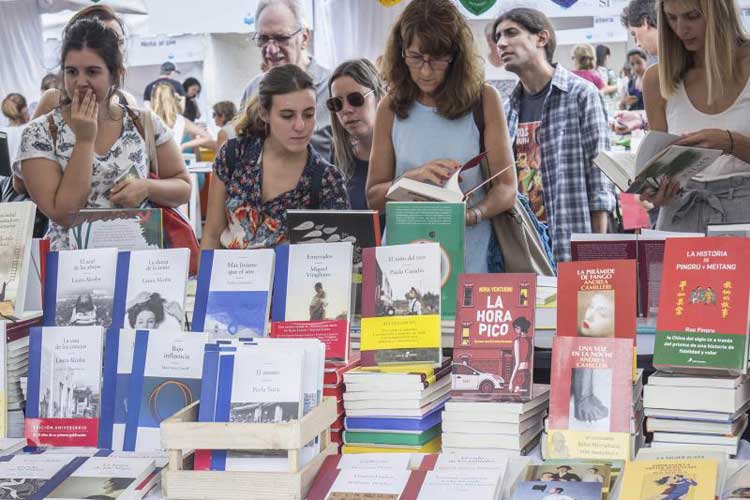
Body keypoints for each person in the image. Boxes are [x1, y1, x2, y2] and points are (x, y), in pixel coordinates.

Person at [367, 0, 518, 274]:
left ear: (456, 56)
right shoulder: (390, 107)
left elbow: (507, 188)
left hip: (470, 259)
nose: (425, 71)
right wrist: (414, 178)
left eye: (437, 59)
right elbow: (374, 197)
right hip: (404, 264)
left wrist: (470, 216)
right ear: (400, 53)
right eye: (415, 57)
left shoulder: (484, 100)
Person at [14, 18, 191, 250]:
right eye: (71, 71)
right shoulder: (40, 133)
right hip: (73, 269)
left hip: (139, 264)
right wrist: (85, 140)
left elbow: (183, 187)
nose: (80, 82)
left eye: (92, 71)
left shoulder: (143, 122)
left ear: (115, 74)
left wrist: (147, 187)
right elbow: (65, 214)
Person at [494, 8, 615, 263]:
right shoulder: (507, 109)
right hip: (527, 249)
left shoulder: (581, 94)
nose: (501, 43)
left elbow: (601, 178)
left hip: (572, 244)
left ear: (542, 38)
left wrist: (595, 251)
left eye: (511, 33)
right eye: (498, 37)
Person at [201, 65, 349, 250]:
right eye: (287, 116)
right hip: (229, 276)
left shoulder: (327, 179)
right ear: (264, 113)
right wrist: (204, 279)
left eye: (309, 114)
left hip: (294, 278)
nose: (300, 125)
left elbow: (336, 257)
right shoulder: (232, 155)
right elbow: (212, 234)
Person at [642, 0, 750, 233]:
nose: (681, 30)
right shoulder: (656, 79)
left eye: (692, 16)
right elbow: (660, 168)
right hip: (680, 217)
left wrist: (730, 143)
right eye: (671, 18)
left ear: (722, 13)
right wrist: (657, 192)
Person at [240, 0, 333, 159]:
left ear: (304, 38)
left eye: (281, 37)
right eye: (263, 39)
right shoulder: (253, 89)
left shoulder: (333, 88)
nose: (271, 50)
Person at [32, 4, 137, 120]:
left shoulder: (127, 101)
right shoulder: (53, 99)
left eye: (120, 42)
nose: (114, 49)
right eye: (103, 39)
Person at [328, 59, 385, 221]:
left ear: (379, 97)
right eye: (336, 103)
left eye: (356, 99)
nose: (346, 110)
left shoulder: (402, 150)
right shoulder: (338, 154)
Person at [150, 82, 212, 152]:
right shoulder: (180, 120)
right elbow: (207, 136)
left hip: (152, 160)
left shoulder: (146, 119)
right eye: (193, 89)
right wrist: (183, 146)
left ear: (153, 99)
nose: (194, 93)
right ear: (173, 98)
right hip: (174, 159)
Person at [509, 316, 532, 394]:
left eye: (516, 328)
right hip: (528, 373)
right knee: (525, 396)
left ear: (520, 328)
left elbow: (517, 363)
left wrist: (511, 381)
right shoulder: (530, 340)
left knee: (516, 397)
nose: (515, 330)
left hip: (519, 373)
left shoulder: (517, 341)